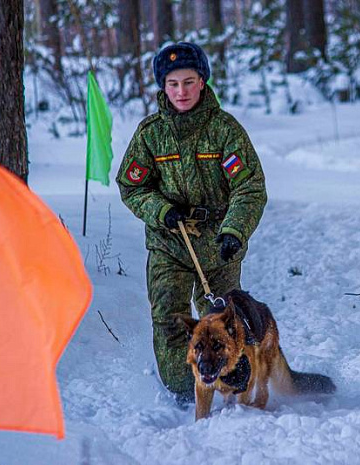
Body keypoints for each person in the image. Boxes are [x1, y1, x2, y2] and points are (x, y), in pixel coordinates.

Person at [116, 42, 267, 405]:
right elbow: (132, 185)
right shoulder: (150, 134)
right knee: (170, 318)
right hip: (169, 243)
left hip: (217, 246)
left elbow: (249, 186)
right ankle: (188, 392)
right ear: (162, 88)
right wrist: (160, 209)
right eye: (172, 84)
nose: (181, 91)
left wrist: (234, 230)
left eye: (188, 81)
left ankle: (232, 385)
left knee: (224, 323)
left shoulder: (225, 130)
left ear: (202, 82)